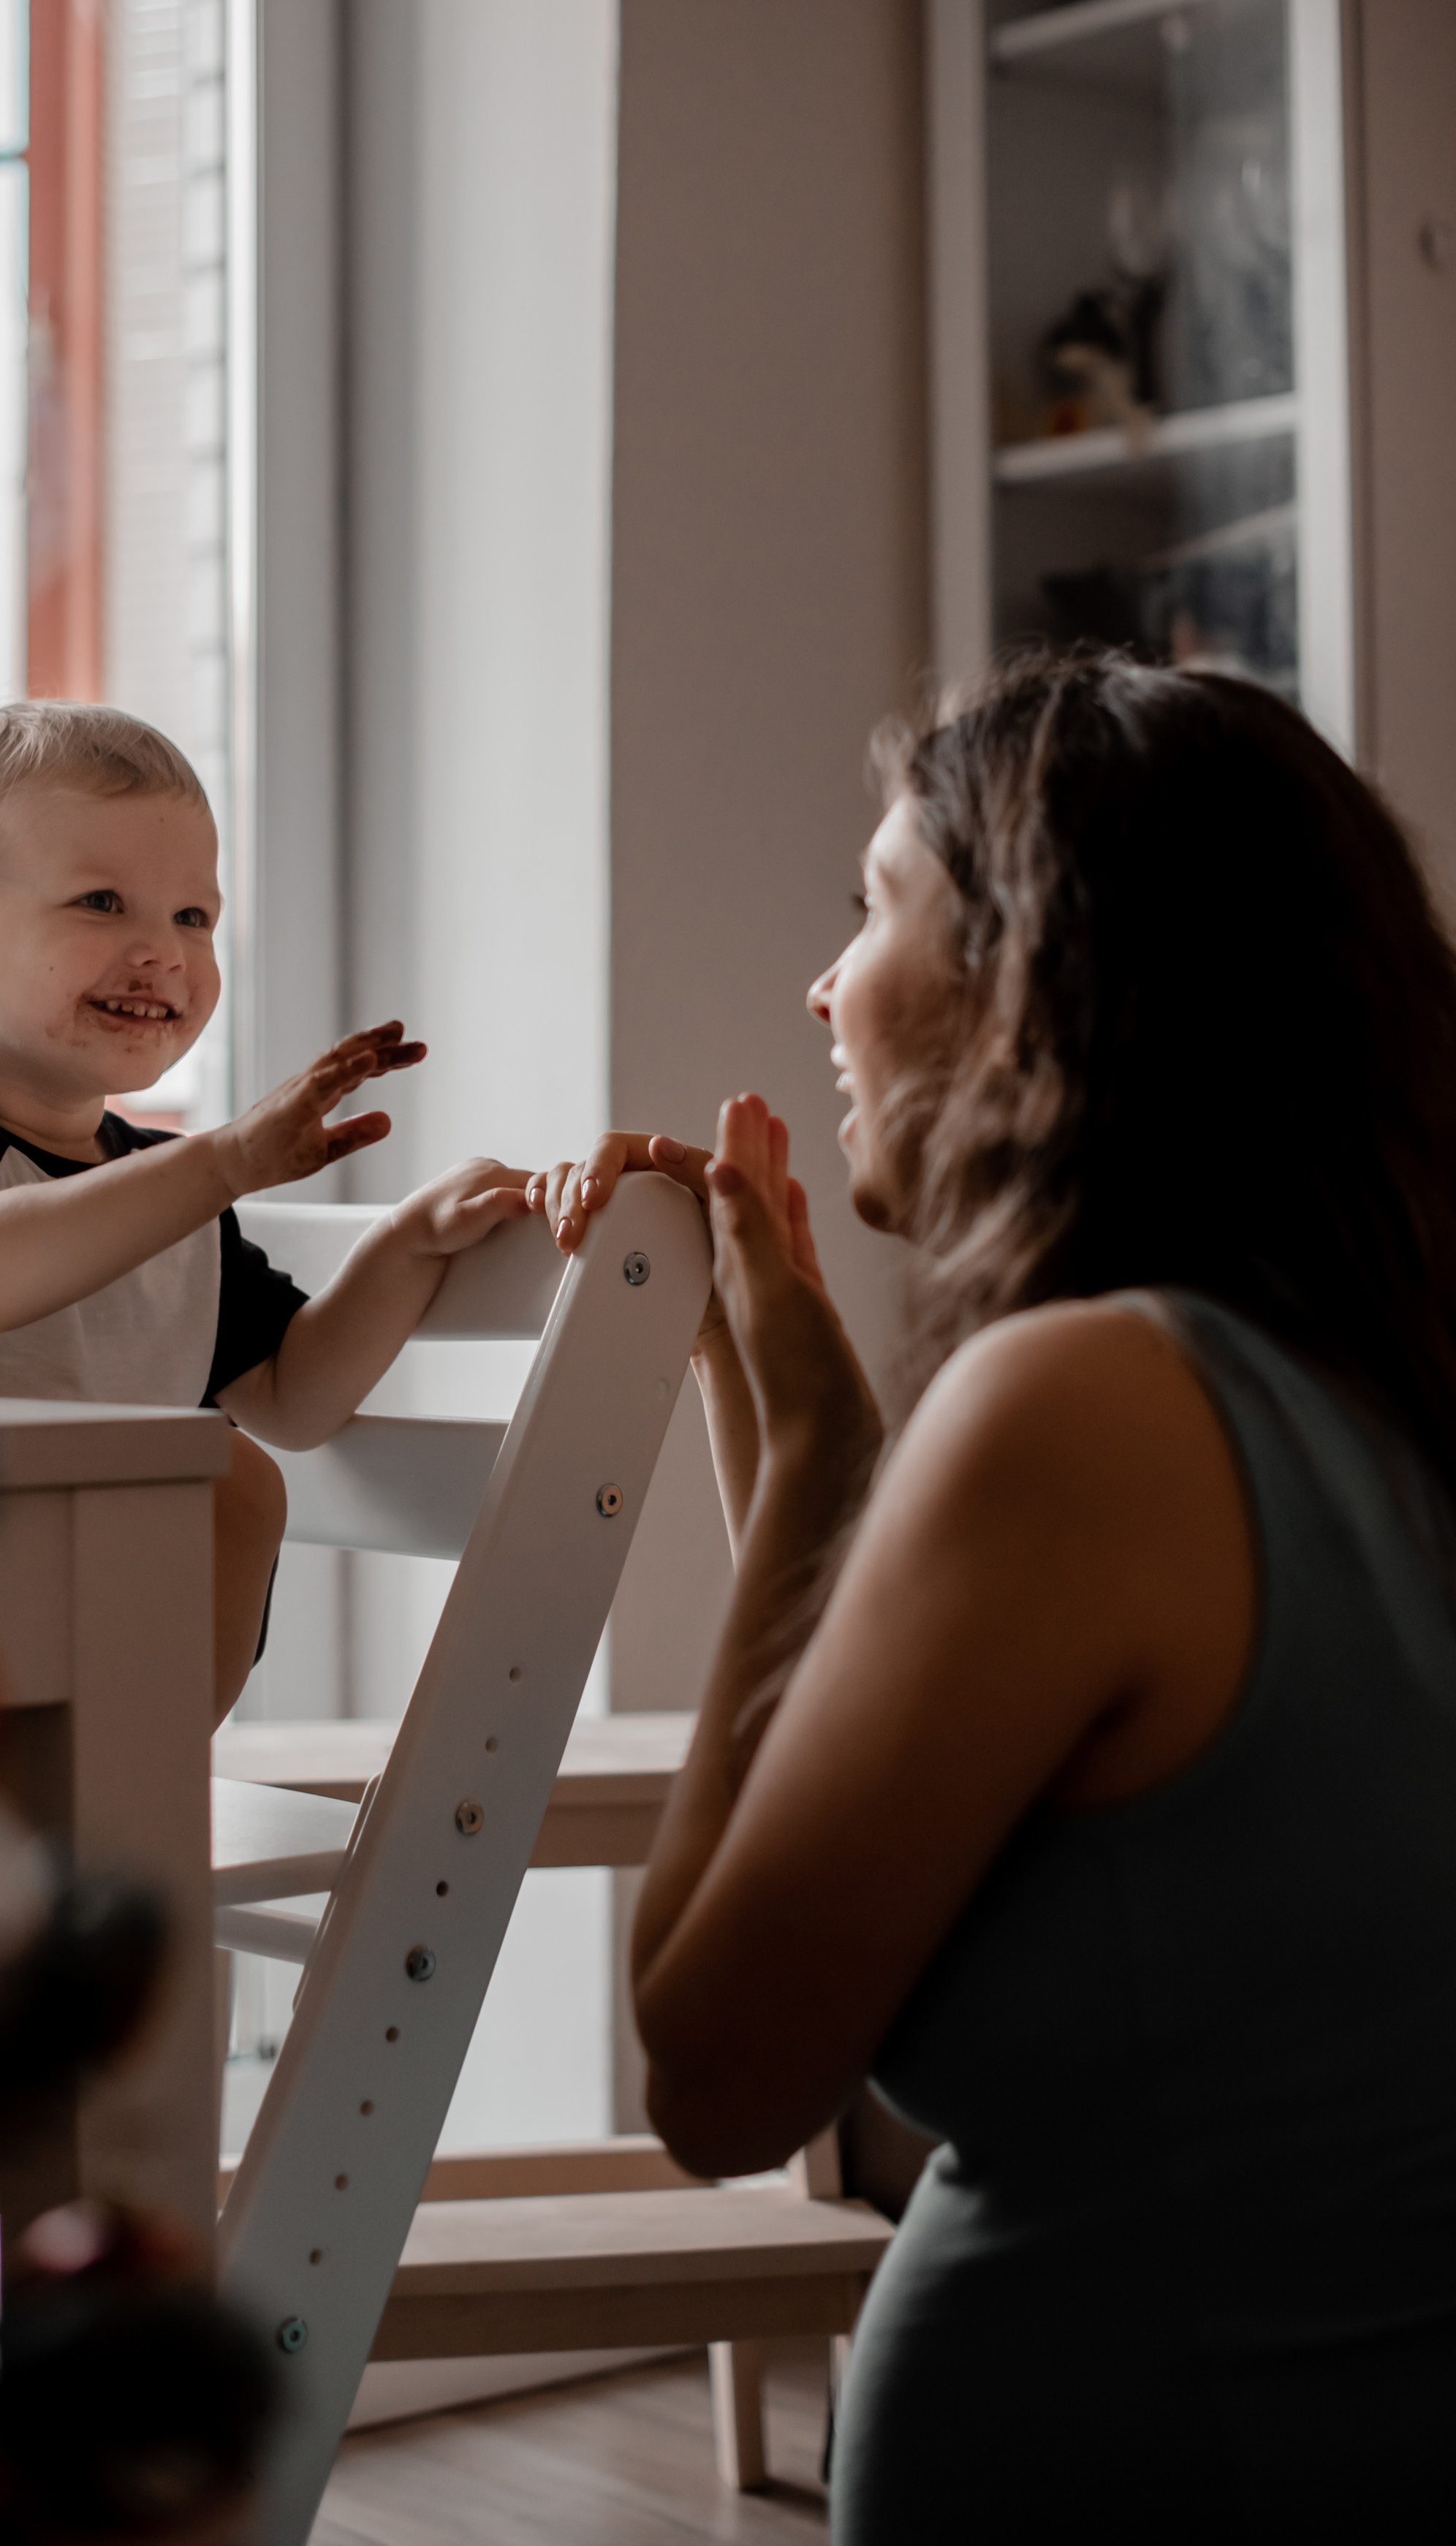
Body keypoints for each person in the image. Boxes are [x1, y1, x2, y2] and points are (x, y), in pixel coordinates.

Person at [533, 651, 1456, 2542]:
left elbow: (717, 2070)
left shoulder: (1091, 1407)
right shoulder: (1377, 1392)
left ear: (1033, 962)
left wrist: (808, 1453)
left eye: (872, 906)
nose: (822, 988)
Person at [0, 701, 528, 1726]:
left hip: (80, 1661)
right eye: (102, 901)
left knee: (237, 1475)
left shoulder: (163, 1191)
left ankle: (131, 1778)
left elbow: (294, 1394)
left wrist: (410, 1241)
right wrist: (225, 1161)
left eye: (195, 916)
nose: (166, 952)